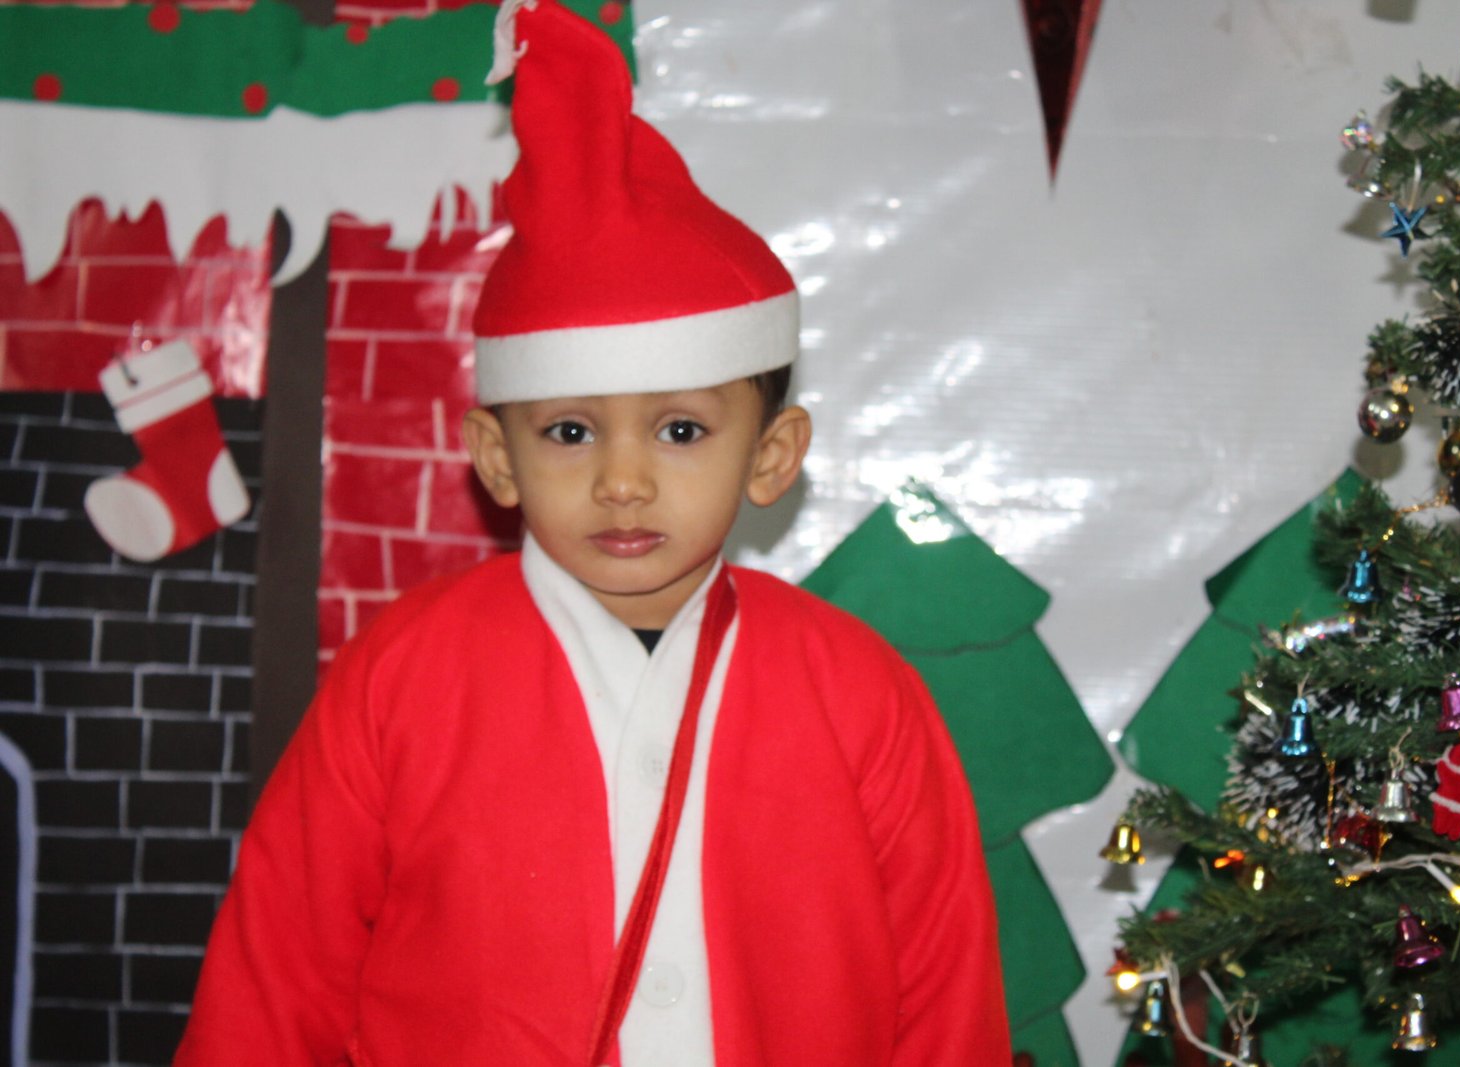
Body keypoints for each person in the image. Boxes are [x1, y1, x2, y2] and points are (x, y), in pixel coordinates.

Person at [174, 1, 1010, 1063]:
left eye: (680, 429)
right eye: (570, 431)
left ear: (772, 453)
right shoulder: (405, 674)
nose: (622, 481)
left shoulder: (858, 692)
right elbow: (276, 977)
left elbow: (944, 1000)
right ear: (496, 456)